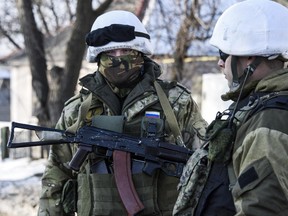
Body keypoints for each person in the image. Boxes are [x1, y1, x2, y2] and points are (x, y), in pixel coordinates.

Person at [38, 10, 207, 216]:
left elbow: (205, 164)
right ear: (98, 57)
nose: (118, 60)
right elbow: (56, 177)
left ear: (141, 53)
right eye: (110, 54)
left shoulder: (175, 102)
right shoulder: (77, 110)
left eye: (126, 51)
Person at [174, 0, 288, 215]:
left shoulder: (269, 120)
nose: (220, 63)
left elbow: (261, 208)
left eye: (224, 54)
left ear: (249, 58)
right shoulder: (257, 109)